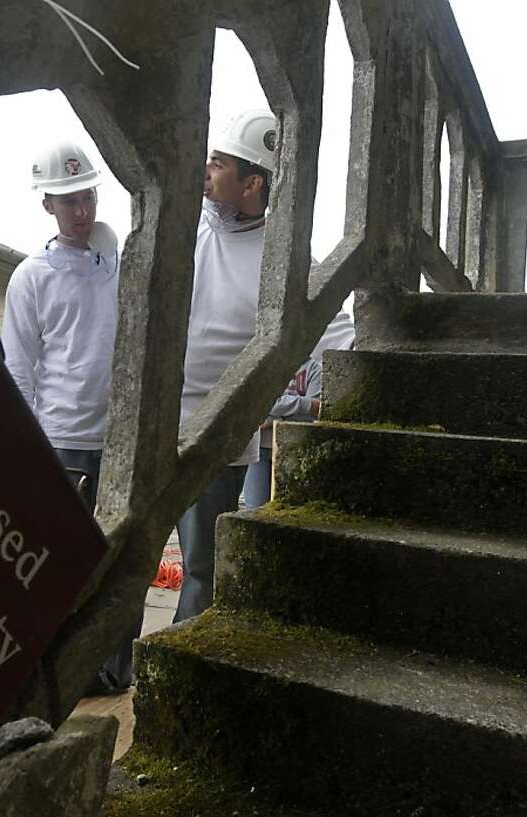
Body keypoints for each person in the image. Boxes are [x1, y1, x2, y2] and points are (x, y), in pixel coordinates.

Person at [0, 139, 136, 694]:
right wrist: (31, 449)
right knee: (61, 564)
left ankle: (114, 671)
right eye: (69, 201)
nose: (82, 210)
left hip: (120, 438)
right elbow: (19, 369)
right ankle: (58, 671)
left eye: (88, 197)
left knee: (121, 561)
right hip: (62, 440)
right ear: (47, 206)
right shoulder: (31, 277)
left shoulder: (117, 267)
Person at [174, 109, 278, 622]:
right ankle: (114, 659)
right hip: (154, 425)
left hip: (219, 442)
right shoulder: (185, 226)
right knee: (125, 556)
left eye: (217, 165)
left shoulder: (281, 255)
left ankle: (176, 656)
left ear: (252, 183)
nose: (205, 173)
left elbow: (335, 331)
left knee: (201, 567)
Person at [241, 309, 355, 509]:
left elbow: (315, 412)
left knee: (290, 507)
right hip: (260, 447)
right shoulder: (268, 366)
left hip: (294, 447)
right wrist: (303, 404)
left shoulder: (314, 370)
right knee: (255, 506)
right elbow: (260, 401)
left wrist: (274, 418)